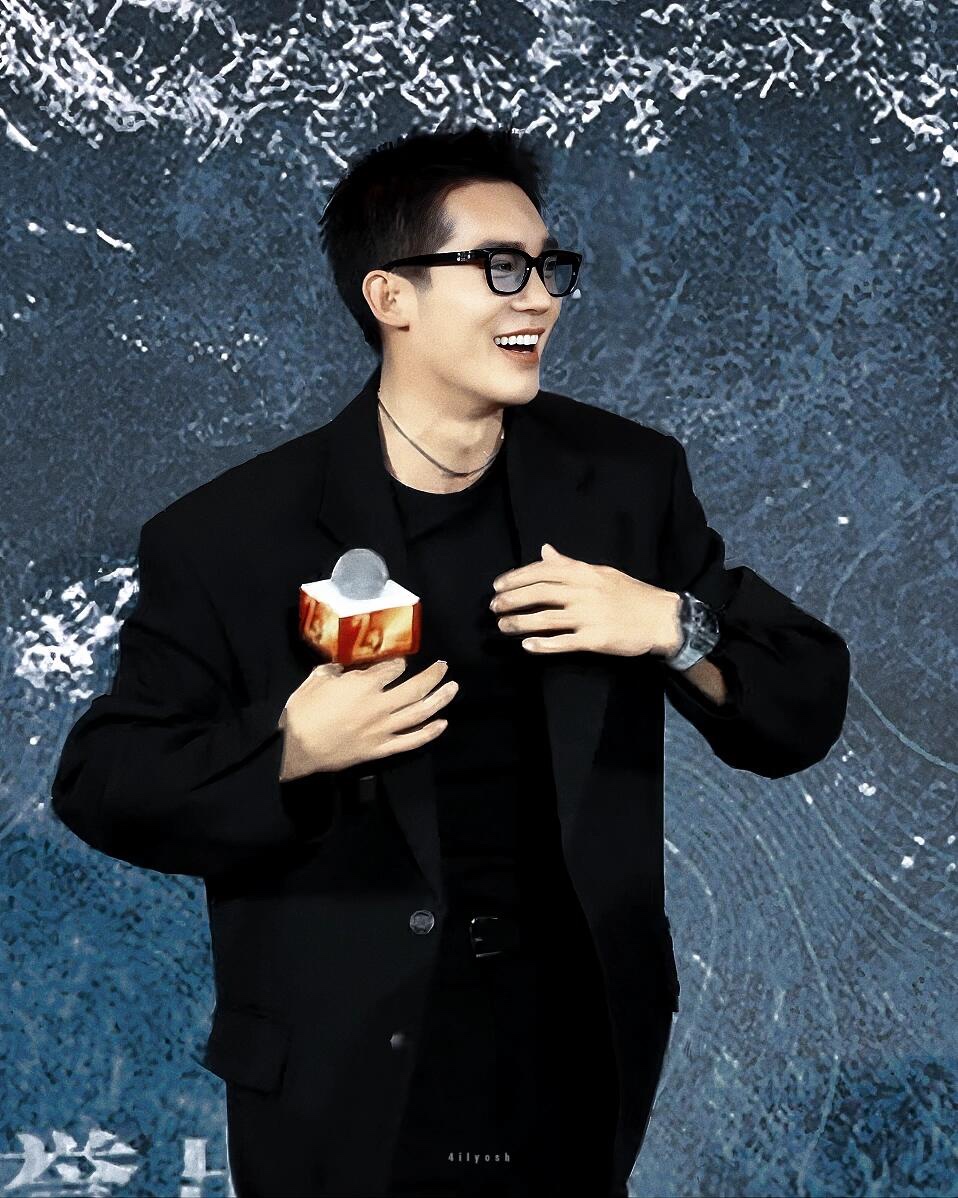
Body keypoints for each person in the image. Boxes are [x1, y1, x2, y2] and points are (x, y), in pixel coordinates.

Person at [51, 122, 851, 1197]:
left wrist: (669, 622)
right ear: (391, 296)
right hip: (341, 1068)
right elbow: (104, 781)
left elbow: (801, 704)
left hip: (575, 1052)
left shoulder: (625, 483)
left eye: (550, 268)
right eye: (501, 268)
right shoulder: (228, 535)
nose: (540, 299)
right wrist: (288, 749)